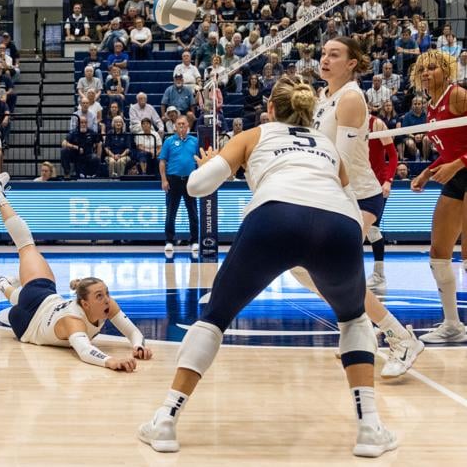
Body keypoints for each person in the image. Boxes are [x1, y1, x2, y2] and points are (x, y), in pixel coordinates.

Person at [138, 76, 397, 458]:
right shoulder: (326, 145)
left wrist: (214, 163)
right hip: (338, 225)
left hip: (275, 216)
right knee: (354, 320)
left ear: (271, 109)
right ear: (309, 114)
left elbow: (196, 186)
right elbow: (345, 191)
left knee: (214, 318)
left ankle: (165, 419)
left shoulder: (255, 134)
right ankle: (370, 428)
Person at [295, 37, 423, 378]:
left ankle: (399, 338)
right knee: (302, 268)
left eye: (334, 55)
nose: (325, 58)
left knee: (335, 272)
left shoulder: (350, 98)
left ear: (352, 63)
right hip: (333, 194)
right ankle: (362, 327)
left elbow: (341, 161)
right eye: (323, 53)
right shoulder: (323, 97)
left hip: (357, 197)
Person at [0, 172, 152, 370]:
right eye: (100, 296)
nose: (107, 299)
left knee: (22, 291)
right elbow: (85, 351)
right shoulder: (73, 320)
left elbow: (133, 332)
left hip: (25, 326)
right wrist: (112, 361)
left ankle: (4, 285)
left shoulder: (106, 305)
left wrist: (138, 345)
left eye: (106, 293)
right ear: (85, 304)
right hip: (43, 300)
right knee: (26, 245)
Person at [409, 50, 467, 343]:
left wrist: (457, 164)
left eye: (432, 68)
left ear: (446, 70)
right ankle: (453, 325)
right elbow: (449, 150)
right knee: (438, 253)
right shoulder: (432, 106)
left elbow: (457, 156)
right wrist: (428, 172)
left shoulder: (457, 95)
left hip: (465, 171)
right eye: (422, 69)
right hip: (457, 177)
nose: (426, 73)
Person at [366, 116, 398, 291]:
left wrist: (389, 181)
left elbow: (393, 155)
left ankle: (379, 275)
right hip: (355, 185)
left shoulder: (376, 124)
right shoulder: (344, 125)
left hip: (376, 185)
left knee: (372, 229)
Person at [159, 115, 199, 255]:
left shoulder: (195, 141)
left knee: (193, 212)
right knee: (171, 212)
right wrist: (164, 180)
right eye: (179, 124)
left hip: (190, 180)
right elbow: (162, 161)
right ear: (175, 126)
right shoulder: (169, 141)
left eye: (183, 124)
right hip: (173, 180)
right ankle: (169, 241)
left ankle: (194, 241)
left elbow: (200, 160)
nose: (181, 126)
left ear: (188, 126)